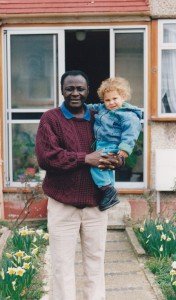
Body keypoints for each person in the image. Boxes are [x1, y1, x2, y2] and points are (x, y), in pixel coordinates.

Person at [35, 70, 124, 300]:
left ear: (87, 90)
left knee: (95, 264)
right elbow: (47, 157)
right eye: (70, 88)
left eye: (80, 89)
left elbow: (116, 140)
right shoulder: (51, 119)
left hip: (96, 205)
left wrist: (119, 157)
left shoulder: (99, 115)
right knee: (62, 267)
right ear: (61, 90)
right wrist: (86, 158)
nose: (75, 93)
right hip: (63, 205)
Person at [88, 77, 142, 211]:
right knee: (107, 169)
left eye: (115, 99)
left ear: (123, 97)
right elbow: (94, 107)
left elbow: (131, 133)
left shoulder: (128, 115)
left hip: (112, 144)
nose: (111, 103)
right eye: (107, 100)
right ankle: (108, 192)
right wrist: (82, 107)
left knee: (97, 166)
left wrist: (125, 148)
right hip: (100, 143)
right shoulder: (103, 108)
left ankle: (107, 190)